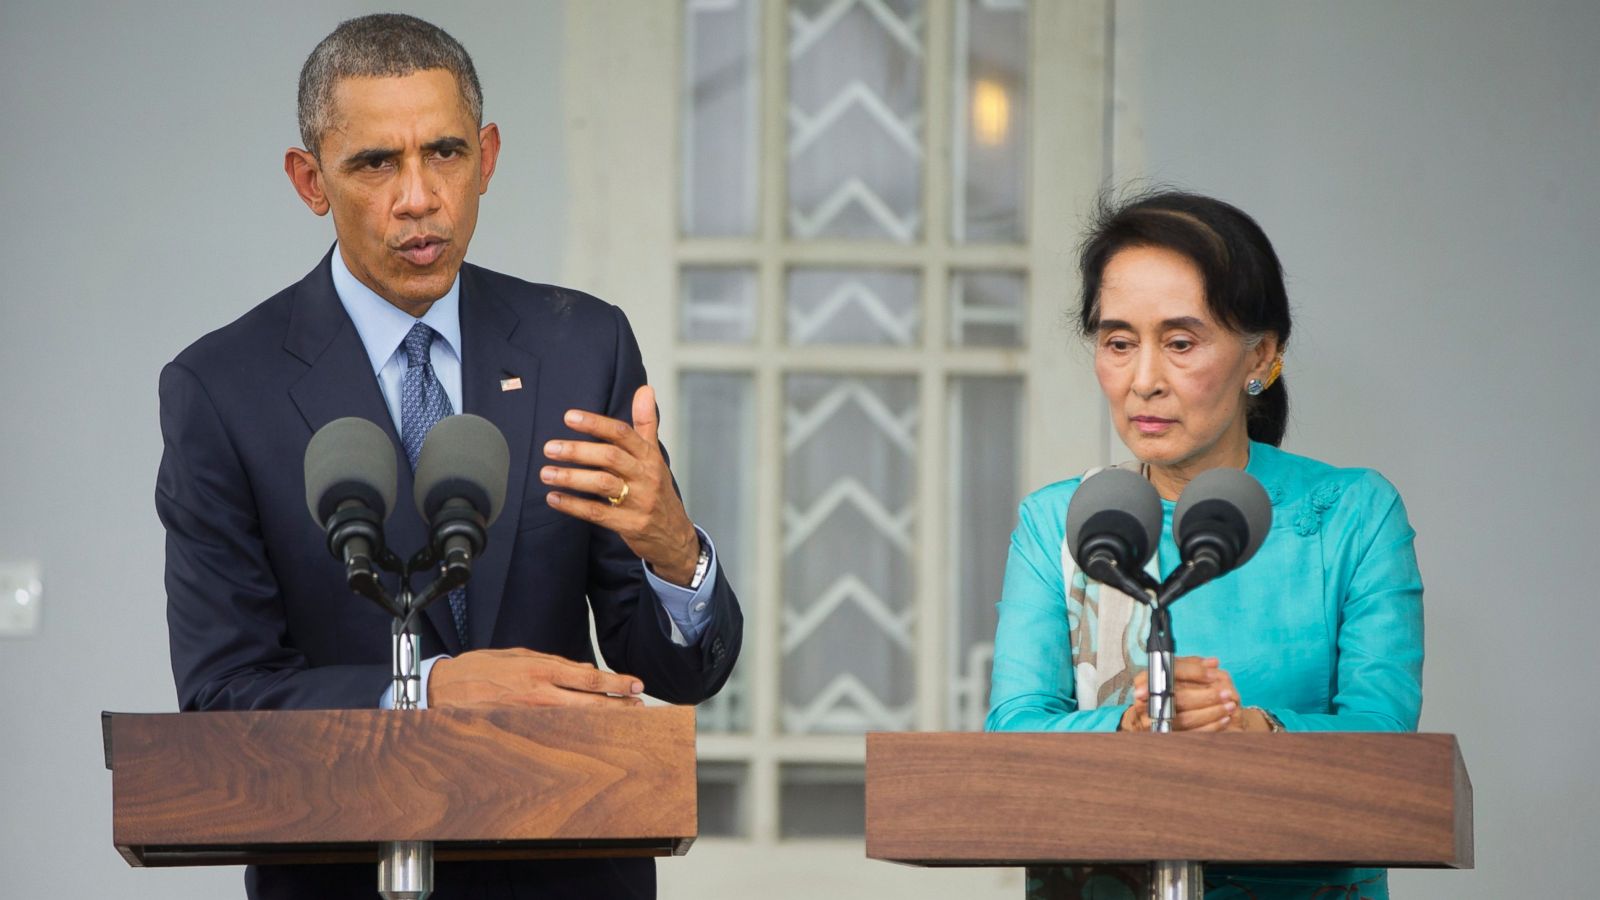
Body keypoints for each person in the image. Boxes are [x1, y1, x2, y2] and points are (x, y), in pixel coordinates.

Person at [156, 14, 741, 899]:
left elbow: (676, 672)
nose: (419, 197)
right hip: (341, 872)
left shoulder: (581, 346)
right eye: (374, 164)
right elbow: (223, 698)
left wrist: (674, 552)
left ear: (489, 157)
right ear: (309, 181)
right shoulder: (221, 389)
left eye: (445, 153)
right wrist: (425, 691)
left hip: (571, 867)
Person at [986, 190, 1423, 900]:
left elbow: (1384, 737)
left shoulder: (1352, 514)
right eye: (1119, 342)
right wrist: (1132, 726)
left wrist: (1252, 731)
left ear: (1263, 356)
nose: (1144, 380)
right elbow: (1014, 732)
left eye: (1181, 342)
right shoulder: (1061, 522)